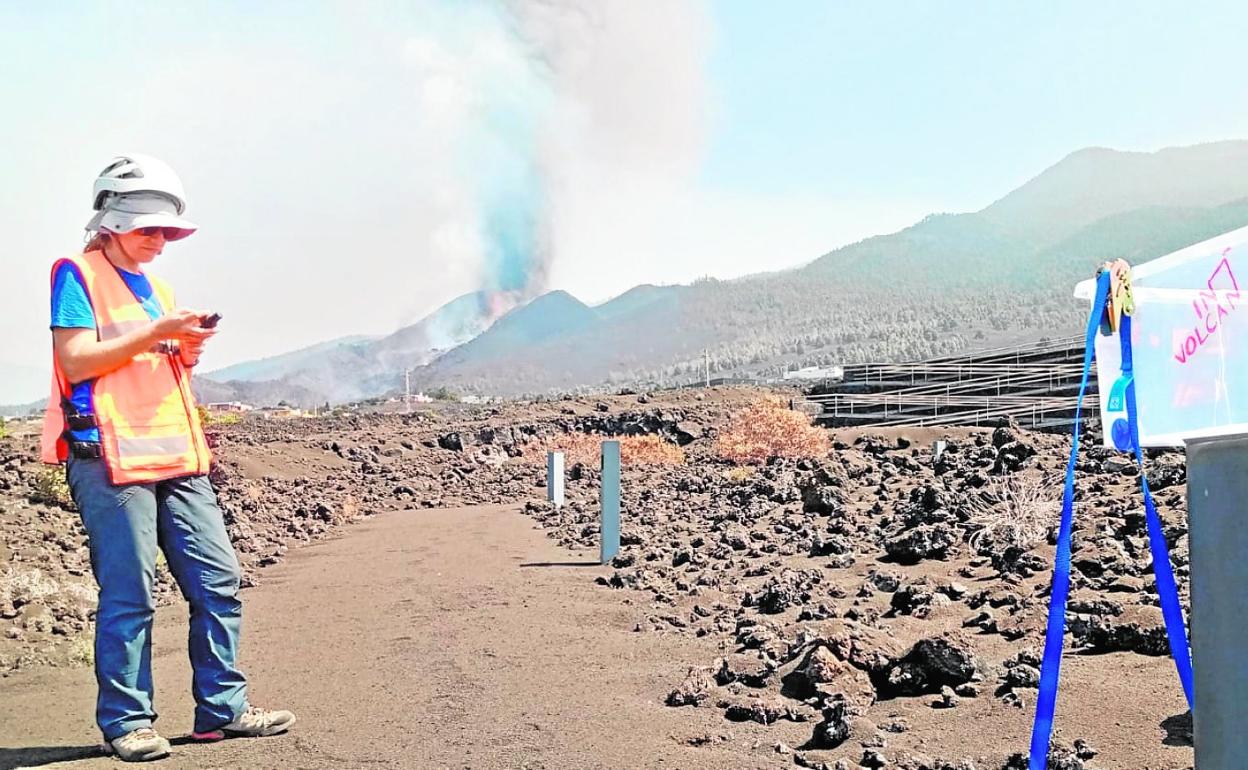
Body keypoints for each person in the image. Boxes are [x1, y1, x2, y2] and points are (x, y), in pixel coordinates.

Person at [39, 154, 295, 762]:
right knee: (131, 592)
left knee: (219, 581)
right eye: (147, 229)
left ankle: (223, 711)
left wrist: (182, 349)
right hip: (109, 458)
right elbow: (75, 361)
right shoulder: (77, 274)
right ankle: (128, 721)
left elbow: (144, 361)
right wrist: (156, 338)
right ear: (110, 223)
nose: (159, 241)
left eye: (166, 232)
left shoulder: (157, 290)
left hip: (176, 455)